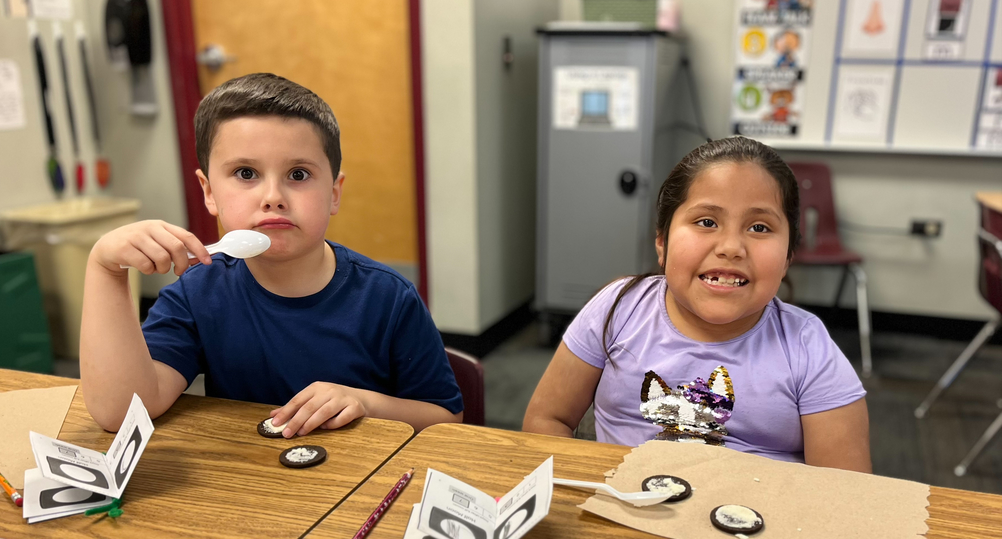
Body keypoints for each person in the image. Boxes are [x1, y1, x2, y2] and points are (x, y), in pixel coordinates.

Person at [81, 73, 462, 435]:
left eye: (298, 175)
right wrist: (105, 270)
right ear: (209, 191)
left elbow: (446, 419)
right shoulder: (198, 293)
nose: (273, 198)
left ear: (334, 193)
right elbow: (121, 413)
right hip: (250, 486)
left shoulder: (389, 298)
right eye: (246, 173)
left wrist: (364, 402)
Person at [523, 136, 871, 472]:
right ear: (662, 242)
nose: (731, 247)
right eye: (707, 222)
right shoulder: (619, 308)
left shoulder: (808, 348)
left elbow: (846, 491)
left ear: (787, 258)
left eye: (760, 227)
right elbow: (546, 418)